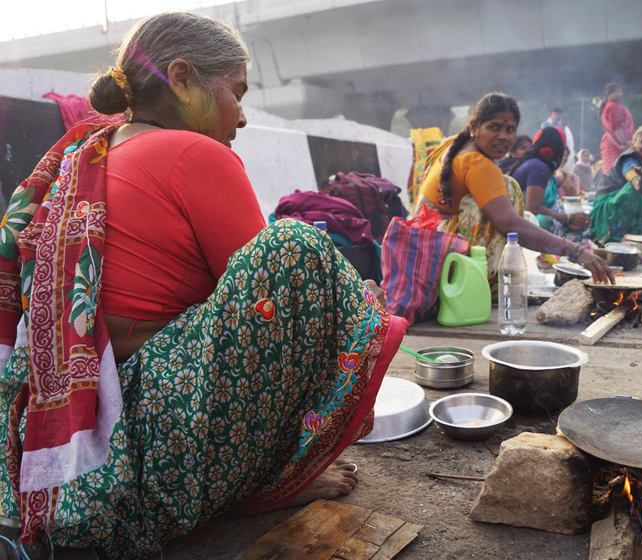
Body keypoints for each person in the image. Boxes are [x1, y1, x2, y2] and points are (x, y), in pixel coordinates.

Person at [0, 12, 407, 559]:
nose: (241, 115)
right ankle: (260, 484)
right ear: (184, 77)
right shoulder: (197, 153)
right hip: (156, 446)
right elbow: (270, 298)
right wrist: (358, 306)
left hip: (82, 443)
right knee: (297, 254)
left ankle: (238, 478)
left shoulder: (90, 153)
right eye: (236, 92)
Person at [413, 92, 613, 284]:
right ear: (474, 126)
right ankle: (477, 284)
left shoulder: (456, 145)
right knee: (509, 188)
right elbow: (510, 225)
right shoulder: (479, 164)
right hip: (432, 261)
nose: (503, 136)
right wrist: (575, 251)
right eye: (494, 127)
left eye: (510, 130)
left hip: (420, 249)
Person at [502, 126, 589, 236]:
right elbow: (533, 209)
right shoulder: (538, 167)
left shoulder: (536, 164)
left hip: (517, 223)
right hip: (518, 228)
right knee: (548, 222)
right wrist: (568, 218)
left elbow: (553, 182)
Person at [600, 83, 635, 174]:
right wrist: (624, 143)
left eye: (620, 91)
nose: (619, 94)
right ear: (608, 94)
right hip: (617, 144)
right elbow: (617, 128)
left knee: (614, 171)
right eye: (616, 92)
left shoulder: (612, 105)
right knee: (617, 172)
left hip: (611, 142)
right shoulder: (613, 107)